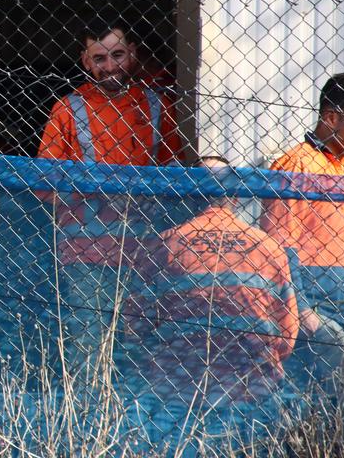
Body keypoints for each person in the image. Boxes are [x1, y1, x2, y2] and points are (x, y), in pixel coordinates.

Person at [36, 23, 184, 373]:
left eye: (117, 55)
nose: (110, 66)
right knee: (90, 344)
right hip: (85, 252)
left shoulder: (157, 106)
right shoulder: (67, 109)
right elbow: (43, 186)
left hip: (145, 251)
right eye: (99, 58)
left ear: (132, 54)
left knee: (143, 344)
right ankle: (89, 414)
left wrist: (149, 197)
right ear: (85, 61)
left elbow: (176, 177)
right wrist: (97, 196)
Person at [127, 157, 299, 450]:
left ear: (189, 193)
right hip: (250, 382)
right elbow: (287, 334)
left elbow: (135, 327)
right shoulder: (268, 247)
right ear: (234, 196)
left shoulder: (163, 243)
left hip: (177, 383)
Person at [260, 73, 344, 384]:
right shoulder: (298, 165)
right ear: (330, 117)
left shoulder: (342, 165)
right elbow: (278, 245)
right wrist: (301, 311)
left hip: (342, 294)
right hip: (313, 295)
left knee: (329, 392)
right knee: (300, 388)